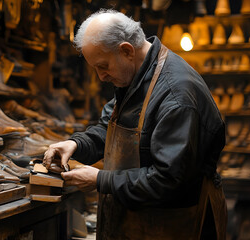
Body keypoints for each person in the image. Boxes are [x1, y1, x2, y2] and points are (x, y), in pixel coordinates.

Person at [43, 9, 227, 239]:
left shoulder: (175, 96)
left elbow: (168, 181)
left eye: (103, 66)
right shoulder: (135, 74)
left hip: (175, 224)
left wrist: (101, 179)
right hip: (139, 221)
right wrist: (76, 144)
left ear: (127, 50)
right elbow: (110, 128)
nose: (101, 76)